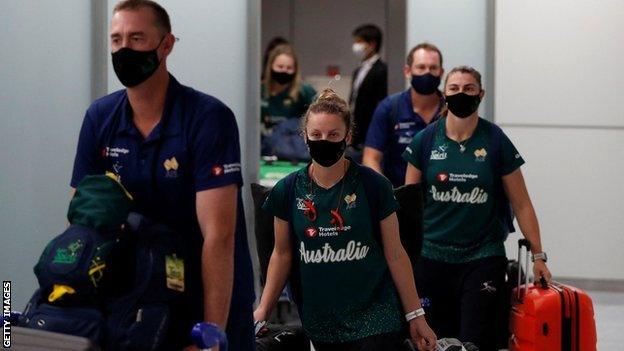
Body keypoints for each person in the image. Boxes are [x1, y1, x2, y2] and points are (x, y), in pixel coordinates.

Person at [70, 1, 254, 349]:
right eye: (116, 40)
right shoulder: (100, 117)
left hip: (205, 294)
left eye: (137, 38)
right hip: (135, 295)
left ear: (166, 45)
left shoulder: (207, 118)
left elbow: (219, 236)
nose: (124, 49)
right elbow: (82, 223)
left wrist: (211, 333)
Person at [254, 89, 437, 350]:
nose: (324, 141)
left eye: (333, 135)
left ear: (347, 137)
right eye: (316, 135)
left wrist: (416, 316)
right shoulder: (287, 189)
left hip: (374, 318)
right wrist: (262, 311)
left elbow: (396, 253)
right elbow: (281, 255)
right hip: (320, 320)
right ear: (305, 136)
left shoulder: (374, 186)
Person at [402, 66, 552, 351]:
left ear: (481, 94)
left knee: (474, 342)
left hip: (481, 256)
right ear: (444, 94)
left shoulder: (495, 141)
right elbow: (409, 204)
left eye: (469, 89)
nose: (461, 94)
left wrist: (538, 256)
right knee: (430, 342)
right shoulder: (425, 140)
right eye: (454, 88)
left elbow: (522, 203)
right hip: (431, 257)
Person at [363, 43, 445, 187]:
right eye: (421, 67)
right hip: (399, 197)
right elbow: (370, 159)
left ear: (441, 72)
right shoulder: (389, 108)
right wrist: (387, 194)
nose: (427, 72)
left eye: (433, 68)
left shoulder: (451, 109)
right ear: (408, 71)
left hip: (444, 198)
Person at [261, 44, 316, 156]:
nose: (284, 71)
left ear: (295, 70)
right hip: (264, 148)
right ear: (271, 67)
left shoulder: (305, 92)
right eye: (280, 67)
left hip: (293, 150)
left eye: (289, 68)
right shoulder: (258, 90)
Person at [348, 24, 388, 160]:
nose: (355, 46)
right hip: (355, 132)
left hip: (370, 132)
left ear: (371, 44)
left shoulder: (382, 70)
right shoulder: (358, 70)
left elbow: (380, 103)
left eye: (359, 42)